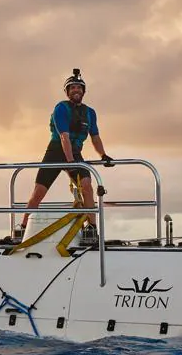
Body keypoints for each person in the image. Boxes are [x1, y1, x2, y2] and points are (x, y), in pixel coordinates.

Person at [20, 68, 113, 244]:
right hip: (56, 151)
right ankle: (22, 228)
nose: (76, 90)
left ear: (84, 92)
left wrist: (103, 155)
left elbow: (95, 136)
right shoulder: (60, 108)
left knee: (87, 185)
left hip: (75, 151)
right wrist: (70, 162)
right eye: (72, 88)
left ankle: (91, 229)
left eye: (79, 88)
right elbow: (64, 137)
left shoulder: (90, 113)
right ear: (67, 92)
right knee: (38, 192)